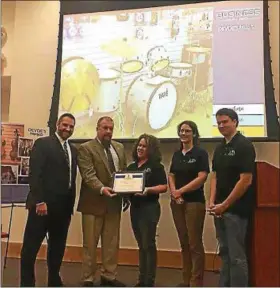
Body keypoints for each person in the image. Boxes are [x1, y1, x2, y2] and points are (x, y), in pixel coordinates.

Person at [20, 113, 77, 287]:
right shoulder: (43, 144)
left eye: (71, 126)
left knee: (57, 248)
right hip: (42, 206)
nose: (67, 128)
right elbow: (35, 174)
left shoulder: (73, 149)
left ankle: (54, 280)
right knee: (30, 249)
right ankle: (27, 284)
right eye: (65, 125)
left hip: (63, 208)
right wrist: (39, 201)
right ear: (57, 125)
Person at [77, 116, 127, 287]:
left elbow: (124, 174)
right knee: (90, 244)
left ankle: (109, 276)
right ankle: (88, 278)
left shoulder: (119, 147)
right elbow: (88, 175)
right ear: (97, 129)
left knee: (112, 243)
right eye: (104, 128)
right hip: (93, 203)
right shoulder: (85, 148)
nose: (108, 132)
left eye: (111, 128)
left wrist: (126, 194)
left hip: (114, 203)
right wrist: (102, 189)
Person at [208, 108, 256, 287]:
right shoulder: (220, 148)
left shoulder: (244, 145)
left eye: (225, 122)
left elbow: (246, 180)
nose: (221, 125)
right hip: (219, 209)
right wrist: (212, 201)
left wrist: (225, 204)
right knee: (225, 254)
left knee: (237, 257)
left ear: (235, 122)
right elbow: (215, 176)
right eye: (218, 122)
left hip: (236, 210)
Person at [168, 120, 209, 287]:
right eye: (181, 131)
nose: (184, 134)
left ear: (194, 133)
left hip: (194, 203)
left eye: (187, 131)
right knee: (184, 242)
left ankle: (196, 281)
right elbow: (171, 175)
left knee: (194, 243)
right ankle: (186, 280)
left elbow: (202, 177)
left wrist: (181, 191)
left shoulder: (200, 153)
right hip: (177, 202)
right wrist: (174, 192)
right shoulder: (177, 155)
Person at [127, 134, 167, 287]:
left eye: (144, 146)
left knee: (148, 244)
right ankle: (141, 279)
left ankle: (149, 281)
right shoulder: (131, 167)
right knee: (141, 245)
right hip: (135, 209)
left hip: (149, 208)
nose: (140, 148)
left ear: (151, 149)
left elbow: (163, 187)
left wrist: (148, 190)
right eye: (139, 145)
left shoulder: (156, 166)